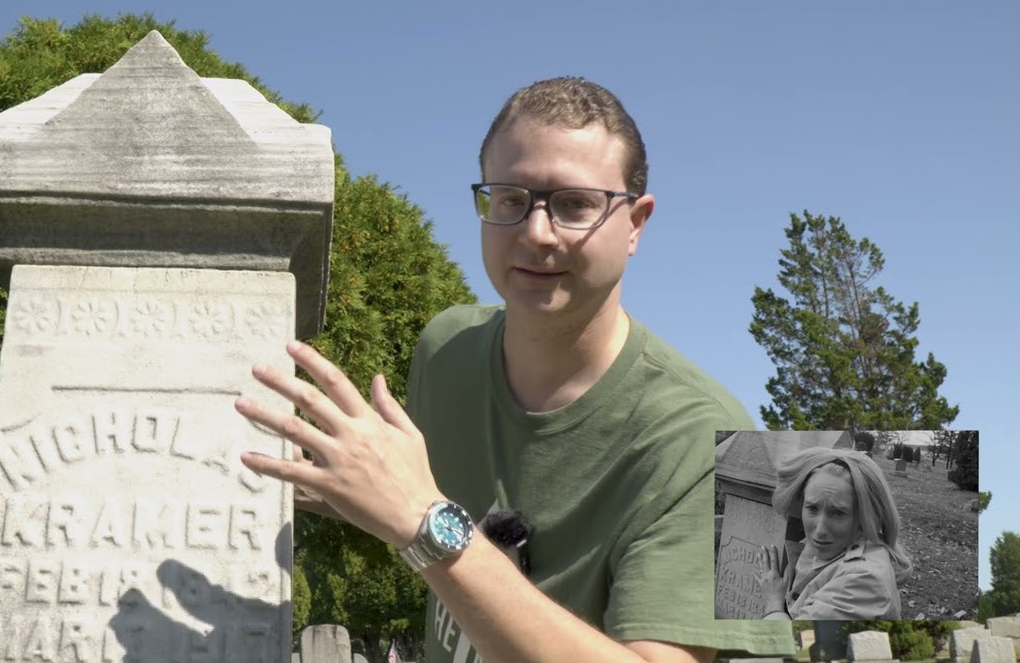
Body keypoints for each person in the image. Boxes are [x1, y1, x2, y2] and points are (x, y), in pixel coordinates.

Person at [236, 77, 794, 662]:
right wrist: (322, 476)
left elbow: (424, 513)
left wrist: (426, 524)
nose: (535, 233)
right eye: (510, 200)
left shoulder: (719, 441)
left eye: (575, 204)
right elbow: (416, 495)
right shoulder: (445, 347)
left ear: (636, 223)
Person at [758, 447, 910, 620]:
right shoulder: (837, 546)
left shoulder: (865, 580)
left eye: (838, 513)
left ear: (863, 517)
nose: (820, 530)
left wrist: (773, 602)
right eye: (812, 508)